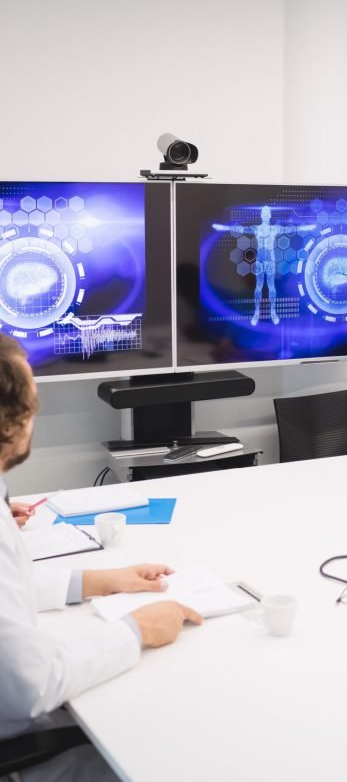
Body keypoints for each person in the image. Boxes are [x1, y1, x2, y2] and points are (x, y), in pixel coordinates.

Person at [0, 333, 203, 778]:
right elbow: (30, 687)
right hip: (20, 751)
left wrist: (98, 581)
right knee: (182, 748)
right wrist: (136, 630)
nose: (38, 412)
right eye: (32, 401)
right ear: (10, 423)